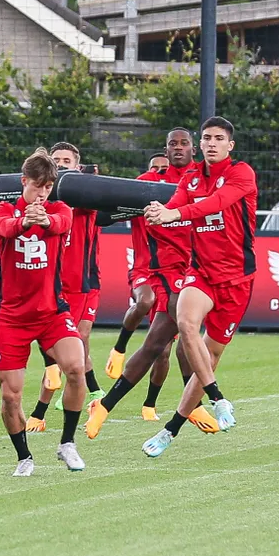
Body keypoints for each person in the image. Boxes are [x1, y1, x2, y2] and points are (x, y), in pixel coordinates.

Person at [137, 116, 256, 458]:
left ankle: (170, 429)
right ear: (200, 144)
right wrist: (161, 211)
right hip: (201, 272)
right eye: (206, 138)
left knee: (210, 354)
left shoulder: (241, 173)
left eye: (219, 138)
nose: (212, 143)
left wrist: (176, 215)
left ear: (229, 145)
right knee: (185, 323)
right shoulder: (190, 177)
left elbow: (214, 205)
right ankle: (217, 398)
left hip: (236, 280)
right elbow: (175, 204)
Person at [86, 129, 216, 439]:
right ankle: (203, 399)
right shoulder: (148, 184)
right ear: (166, 149)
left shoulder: (203, 182)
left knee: (157, 343)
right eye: (173, 143)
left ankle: (104, 405)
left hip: (196, 271)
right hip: (163, 272)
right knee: (184, 330)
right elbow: (107, 215)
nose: (179, 148)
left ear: (193, 148)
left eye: (184, 143)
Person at [0, 149, 88, 476]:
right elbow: (3, 228)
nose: (43, 193)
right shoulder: (4, 210)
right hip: (12, 318)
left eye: (48, 187)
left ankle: (67, 443)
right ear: (24, 182)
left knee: (76, 367)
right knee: (10, 396)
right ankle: (24, 457)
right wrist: (23, 222)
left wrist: (43, 219)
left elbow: (61, 222)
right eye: (37, 186)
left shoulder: (59, 210)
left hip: (52, 313)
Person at [25, 143, 103, 431]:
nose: (61, 165)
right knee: (55, 344)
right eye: (56, 161)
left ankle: (42, 411)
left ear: (77, 166)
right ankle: (92, 394)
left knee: (73, 343)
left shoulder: (84, 197)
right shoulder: (44, 199)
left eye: (66, 161)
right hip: (50, 281)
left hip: (81, 284)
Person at [104, 150, 177, 421]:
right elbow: (107, 214)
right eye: (154, 168)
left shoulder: (176, 204)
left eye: (164, 168)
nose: (159, 172)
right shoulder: (139, 198)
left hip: (172, 276)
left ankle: (149, 404)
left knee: (163, 349)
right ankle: (120, 348)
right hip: (144, 270)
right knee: (143, 301)